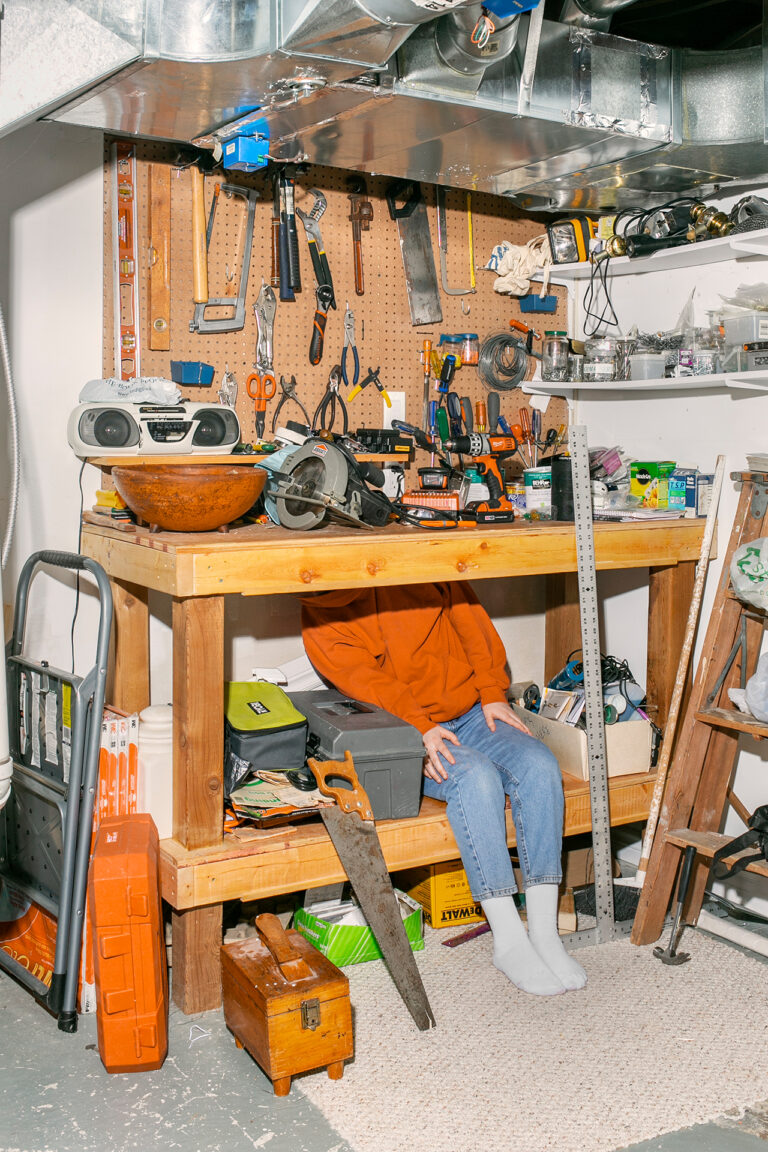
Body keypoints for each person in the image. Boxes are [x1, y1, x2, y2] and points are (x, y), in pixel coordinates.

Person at [300, 580, 587, 997]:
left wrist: (493, 693)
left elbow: (474, 626)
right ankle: (508, 939)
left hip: (471, 713)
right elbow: (370, 685)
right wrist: (418, 729)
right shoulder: (321, 610)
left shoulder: (420, 564)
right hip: (401, 729)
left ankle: (544, 934)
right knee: (474, 778)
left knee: (540, 765)